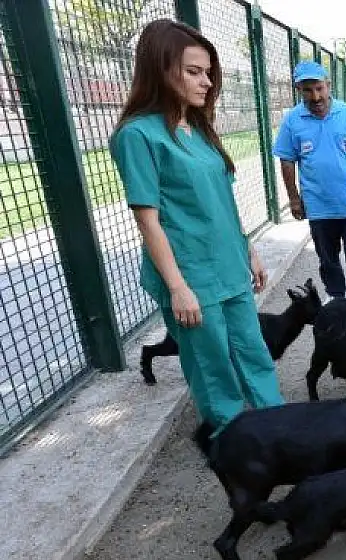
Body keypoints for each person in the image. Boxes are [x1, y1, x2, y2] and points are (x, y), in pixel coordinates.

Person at [109, 18, 284, 437]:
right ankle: (236, 453)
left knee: (253, 353)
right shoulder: (139, 136)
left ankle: (282, 435)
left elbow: (221, 203)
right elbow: (147, 220)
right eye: (194, 72)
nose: (206, 82)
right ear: (159, 69)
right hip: (191, 276)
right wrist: (177, 287)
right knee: (213, 370)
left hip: (229, 268)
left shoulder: (199, 128)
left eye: (208, 72)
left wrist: (249, 250)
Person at [273, 60, 346, 303]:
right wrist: (294, 199)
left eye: (319, 88)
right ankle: (337, 300)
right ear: (299, 90)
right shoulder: (292, 121)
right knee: (328, 259)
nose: (315, 96)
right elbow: (287, 160)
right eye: (308, 90)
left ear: (328, 85)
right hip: (319, 206)